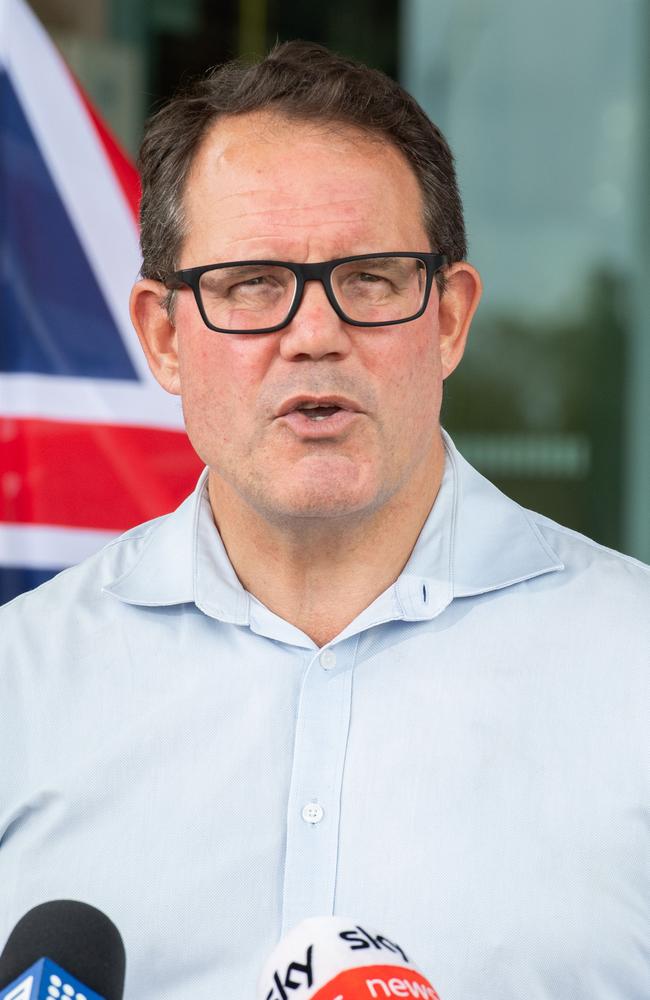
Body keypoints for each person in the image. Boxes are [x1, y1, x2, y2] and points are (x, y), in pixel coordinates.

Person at [0, 41, 647, 1000]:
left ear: (451, 319)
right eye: (251, 282)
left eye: (373, 278)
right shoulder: (22, 685)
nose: (313, 334)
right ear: (165, 336)